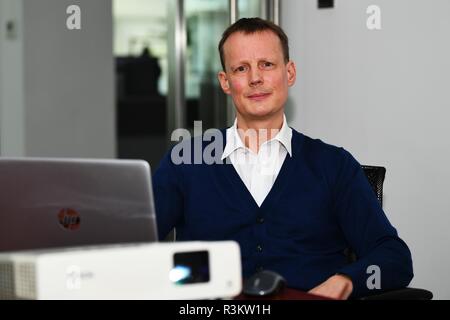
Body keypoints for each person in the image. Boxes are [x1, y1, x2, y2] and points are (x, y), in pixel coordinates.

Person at [153, 18, 413, 299]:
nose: (255, 78)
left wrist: (345, 281)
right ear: (225, 82)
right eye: (241, 68)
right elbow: (131, 247)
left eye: (267, 64)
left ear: (289, 73)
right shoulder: (186, 163)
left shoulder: (333, 165)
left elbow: (394, 257)